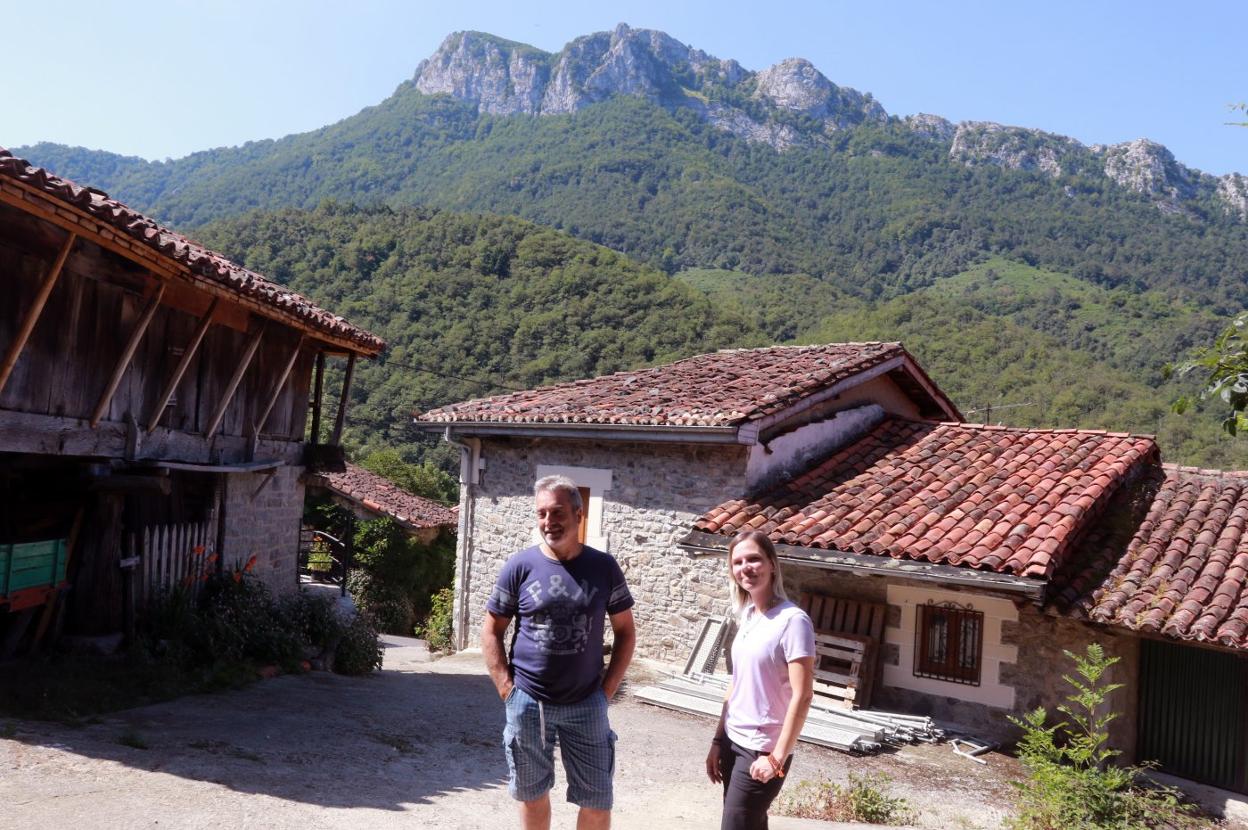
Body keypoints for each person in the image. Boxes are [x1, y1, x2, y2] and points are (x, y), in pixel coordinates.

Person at [483, 474, 637, 830]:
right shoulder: (519, 567)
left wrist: (606, 692)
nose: (548, 522)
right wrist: (507, 689)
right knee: (532, 795)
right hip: (528, 703)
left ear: (578, 514)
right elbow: (492, 629)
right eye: (541, 514)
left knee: (597, 800)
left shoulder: (603, 567)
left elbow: (626, 632)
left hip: (587, 703)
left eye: (557, 512)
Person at [705, 529, 816, 830]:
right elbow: (736, 683)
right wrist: (718, 740)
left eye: (754, 559)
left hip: (763, 749)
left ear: (771, 564)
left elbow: (803, 695)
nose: (746, 568)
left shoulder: (793, 622)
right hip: (733, 741)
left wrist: (777, 758)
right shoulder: (749, 615)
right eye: (738, 562)